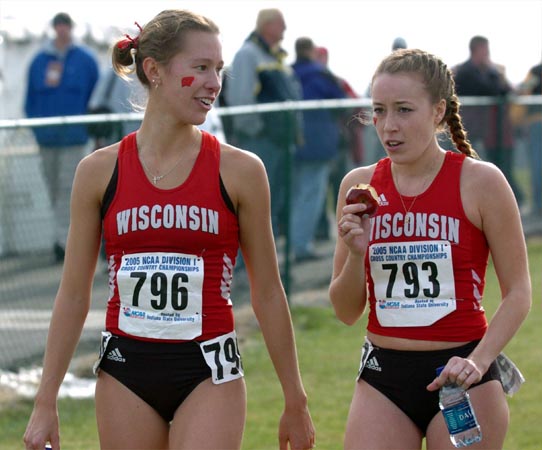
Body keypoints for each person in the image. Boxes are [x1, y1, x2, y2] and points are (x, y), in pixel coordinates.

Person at [23, 9, 314, 450]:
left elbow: (269, 291)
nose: (214, 83)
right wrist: (46, 401)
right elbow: (74, 294)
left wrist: (296, 398)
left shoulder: (241, 171)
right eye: (200, 68)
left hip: (209, 369)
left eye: (218, 69)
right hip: (126, 370)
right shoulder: (98, 171)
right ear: (153, 70)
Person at [329, 48, 531, 449]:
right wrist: (356, 253)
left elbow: (519, 292)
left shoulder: (481, 182)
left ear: (438, 111)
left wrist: (480, 359)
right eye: (379, 111)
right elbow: (346, 310)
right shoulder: (359, 185)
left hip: (462, 372)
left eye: (404, 110)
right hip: (383, 374)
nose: (389, 126)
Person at [24, 12, 99, 262]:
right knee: (54, 188)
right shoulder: (39, 61)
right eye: (58, 26)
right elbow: (30, 100)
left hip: (75, 139)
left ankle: (66, 245)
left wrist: (89, 131)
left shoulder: (86, 59)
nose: (62, 30)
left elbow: (95, 98)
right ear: (54, 28)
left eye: (65, 26)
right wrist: (38, 130)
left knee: (70, 190)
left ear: (70, 28)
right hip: (47, 140)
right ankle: (60, 240)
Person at [224, 8, 302, 238]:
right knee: (253, 204)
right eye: (281, 24)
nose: (285, 29)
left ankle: (264, 261)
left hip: (279, 142)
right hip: (260, 142)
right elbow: (240, 99)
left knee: (273, 204)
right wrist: (257, 131)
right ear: (267, 25)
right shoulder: (248, 54)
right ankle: (241, 265)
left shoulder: (277, 57)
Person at [290, 37, 346, 261]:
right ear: (311, 51)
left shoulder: (289, 73)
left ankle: (297, 244)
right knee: (311, 194)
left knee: (299, 194)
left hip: (293, 142)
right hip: (319, 144)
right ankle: (302, 246)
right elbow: (341, 100)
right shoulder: (321, 74)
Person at [453, 35, 524, 206]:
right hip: (467, 131)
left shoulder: (490, 72)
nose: (487, 54)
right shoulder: (465, 72)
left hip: (487, 132)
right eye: (485, 50)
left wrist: (498, 74)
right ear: (476, 50)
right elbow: (487, 89)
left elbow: (505, 92)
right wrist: (494, 73)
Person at [518, 60, 542, 217]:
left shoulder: (535, 72)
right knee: (537, 166)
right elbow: (523, 93)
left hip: (536, 125)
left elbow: (523, 92)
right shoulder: (536, 71)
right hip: (537, 125)